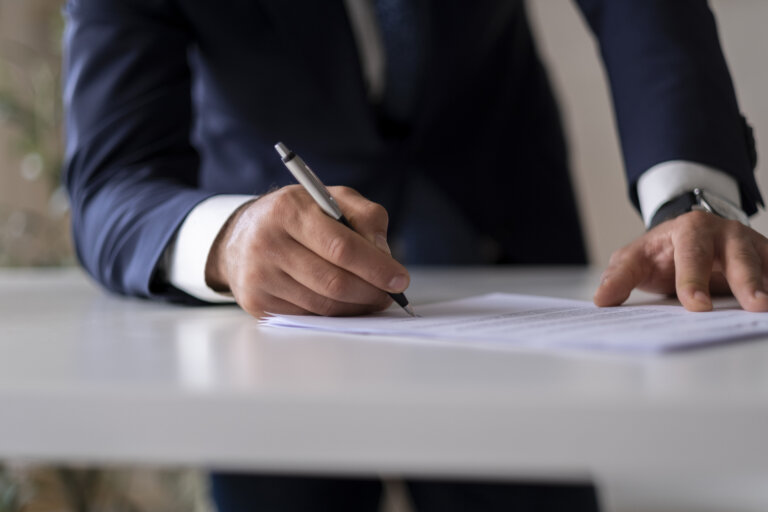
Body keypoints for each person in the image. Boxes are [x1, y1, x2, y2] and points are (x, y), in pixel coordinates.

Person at [62, 0, 766, 510]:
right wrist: (230, 238)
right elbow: (112, 183)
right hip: (273, 316)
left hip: (506, 217)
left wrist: (691, 196)